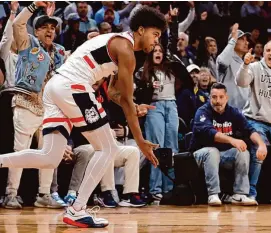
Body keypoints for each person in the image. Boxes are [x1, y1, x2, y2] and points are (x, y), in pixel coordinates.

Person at [0, 2, 167, 229]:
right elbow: (125, 99)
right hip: (74, 86)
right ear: (140, 30)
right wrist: (140, 141)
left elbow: (116, 93)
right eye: (155, 34)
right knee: (108, 148)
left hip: (55, 88)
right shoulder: (126, 50)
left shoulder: (119, 44)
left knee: (50, 157)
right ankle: (77, 209)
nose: (156, 40)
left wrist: (134, 105)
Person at [190, 83, 267, 206]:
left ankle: (240, 194)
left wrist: (261, 144)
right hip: (200, 155)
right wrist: (232, 140)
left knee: (242, 151)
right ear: (210, 98)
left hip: (223, 155)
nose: (218, 101)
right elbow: (210, 132)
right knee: (212, 152)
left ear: (227, 98)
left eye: (221, 97)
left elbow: (250, 129)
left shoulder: (233, 112)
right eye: (214, 97)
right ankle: (213, 194)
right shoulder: (202, 112)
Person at [236, 41, 271, 200]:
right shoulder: (255, 67)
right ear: (263, 52)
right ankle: (250, 193)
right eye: (268, 50)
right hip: (255, 120)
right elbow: (241, 82)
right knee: (259, 151)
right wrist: (245, 64)